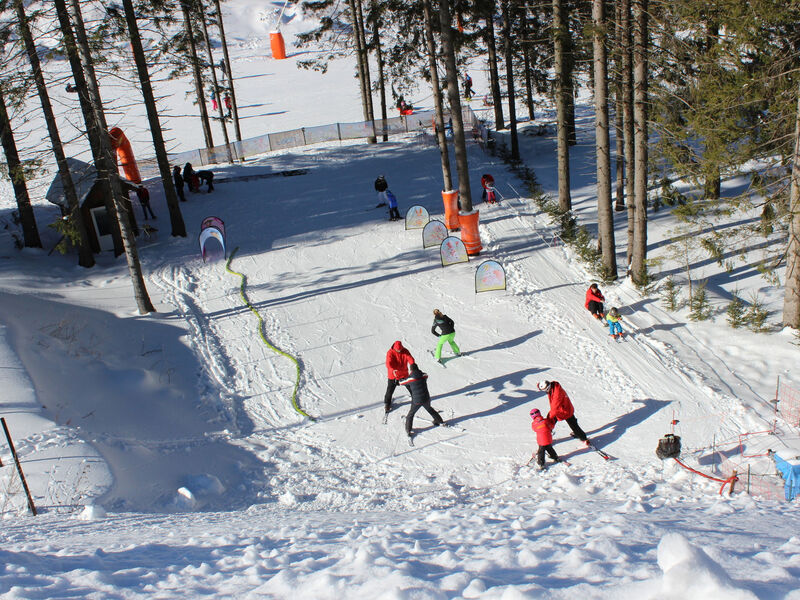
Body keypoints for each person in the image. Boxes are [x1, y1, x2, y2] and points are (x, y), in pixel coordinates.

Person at [401, 363, 444, 437]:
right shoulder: (424, 375)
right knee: (430, 409)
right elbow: (426, 375)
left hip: (417, 401)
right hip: (426, 398)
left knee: (411, 414)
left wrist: (399, 379)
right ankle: (439, 421)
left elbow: (402, 382)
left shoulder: (410, 379)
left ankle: (408, 430)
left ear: (411, 370)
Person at [384, 340, 415, 413]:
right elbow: (388, 364)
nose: (399, 351)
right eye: (398, 350)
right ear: (394, 348)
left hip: (404, 374)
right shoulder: (390, 352)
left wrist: (413, 365)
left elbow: (410, 358)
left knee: (411, 387)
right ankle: (387, 404)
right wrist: (393, 369)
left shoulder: (405, 351)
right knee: (390, 390)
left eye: (400, 349)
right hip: (393, 375)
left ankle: (416, 398)